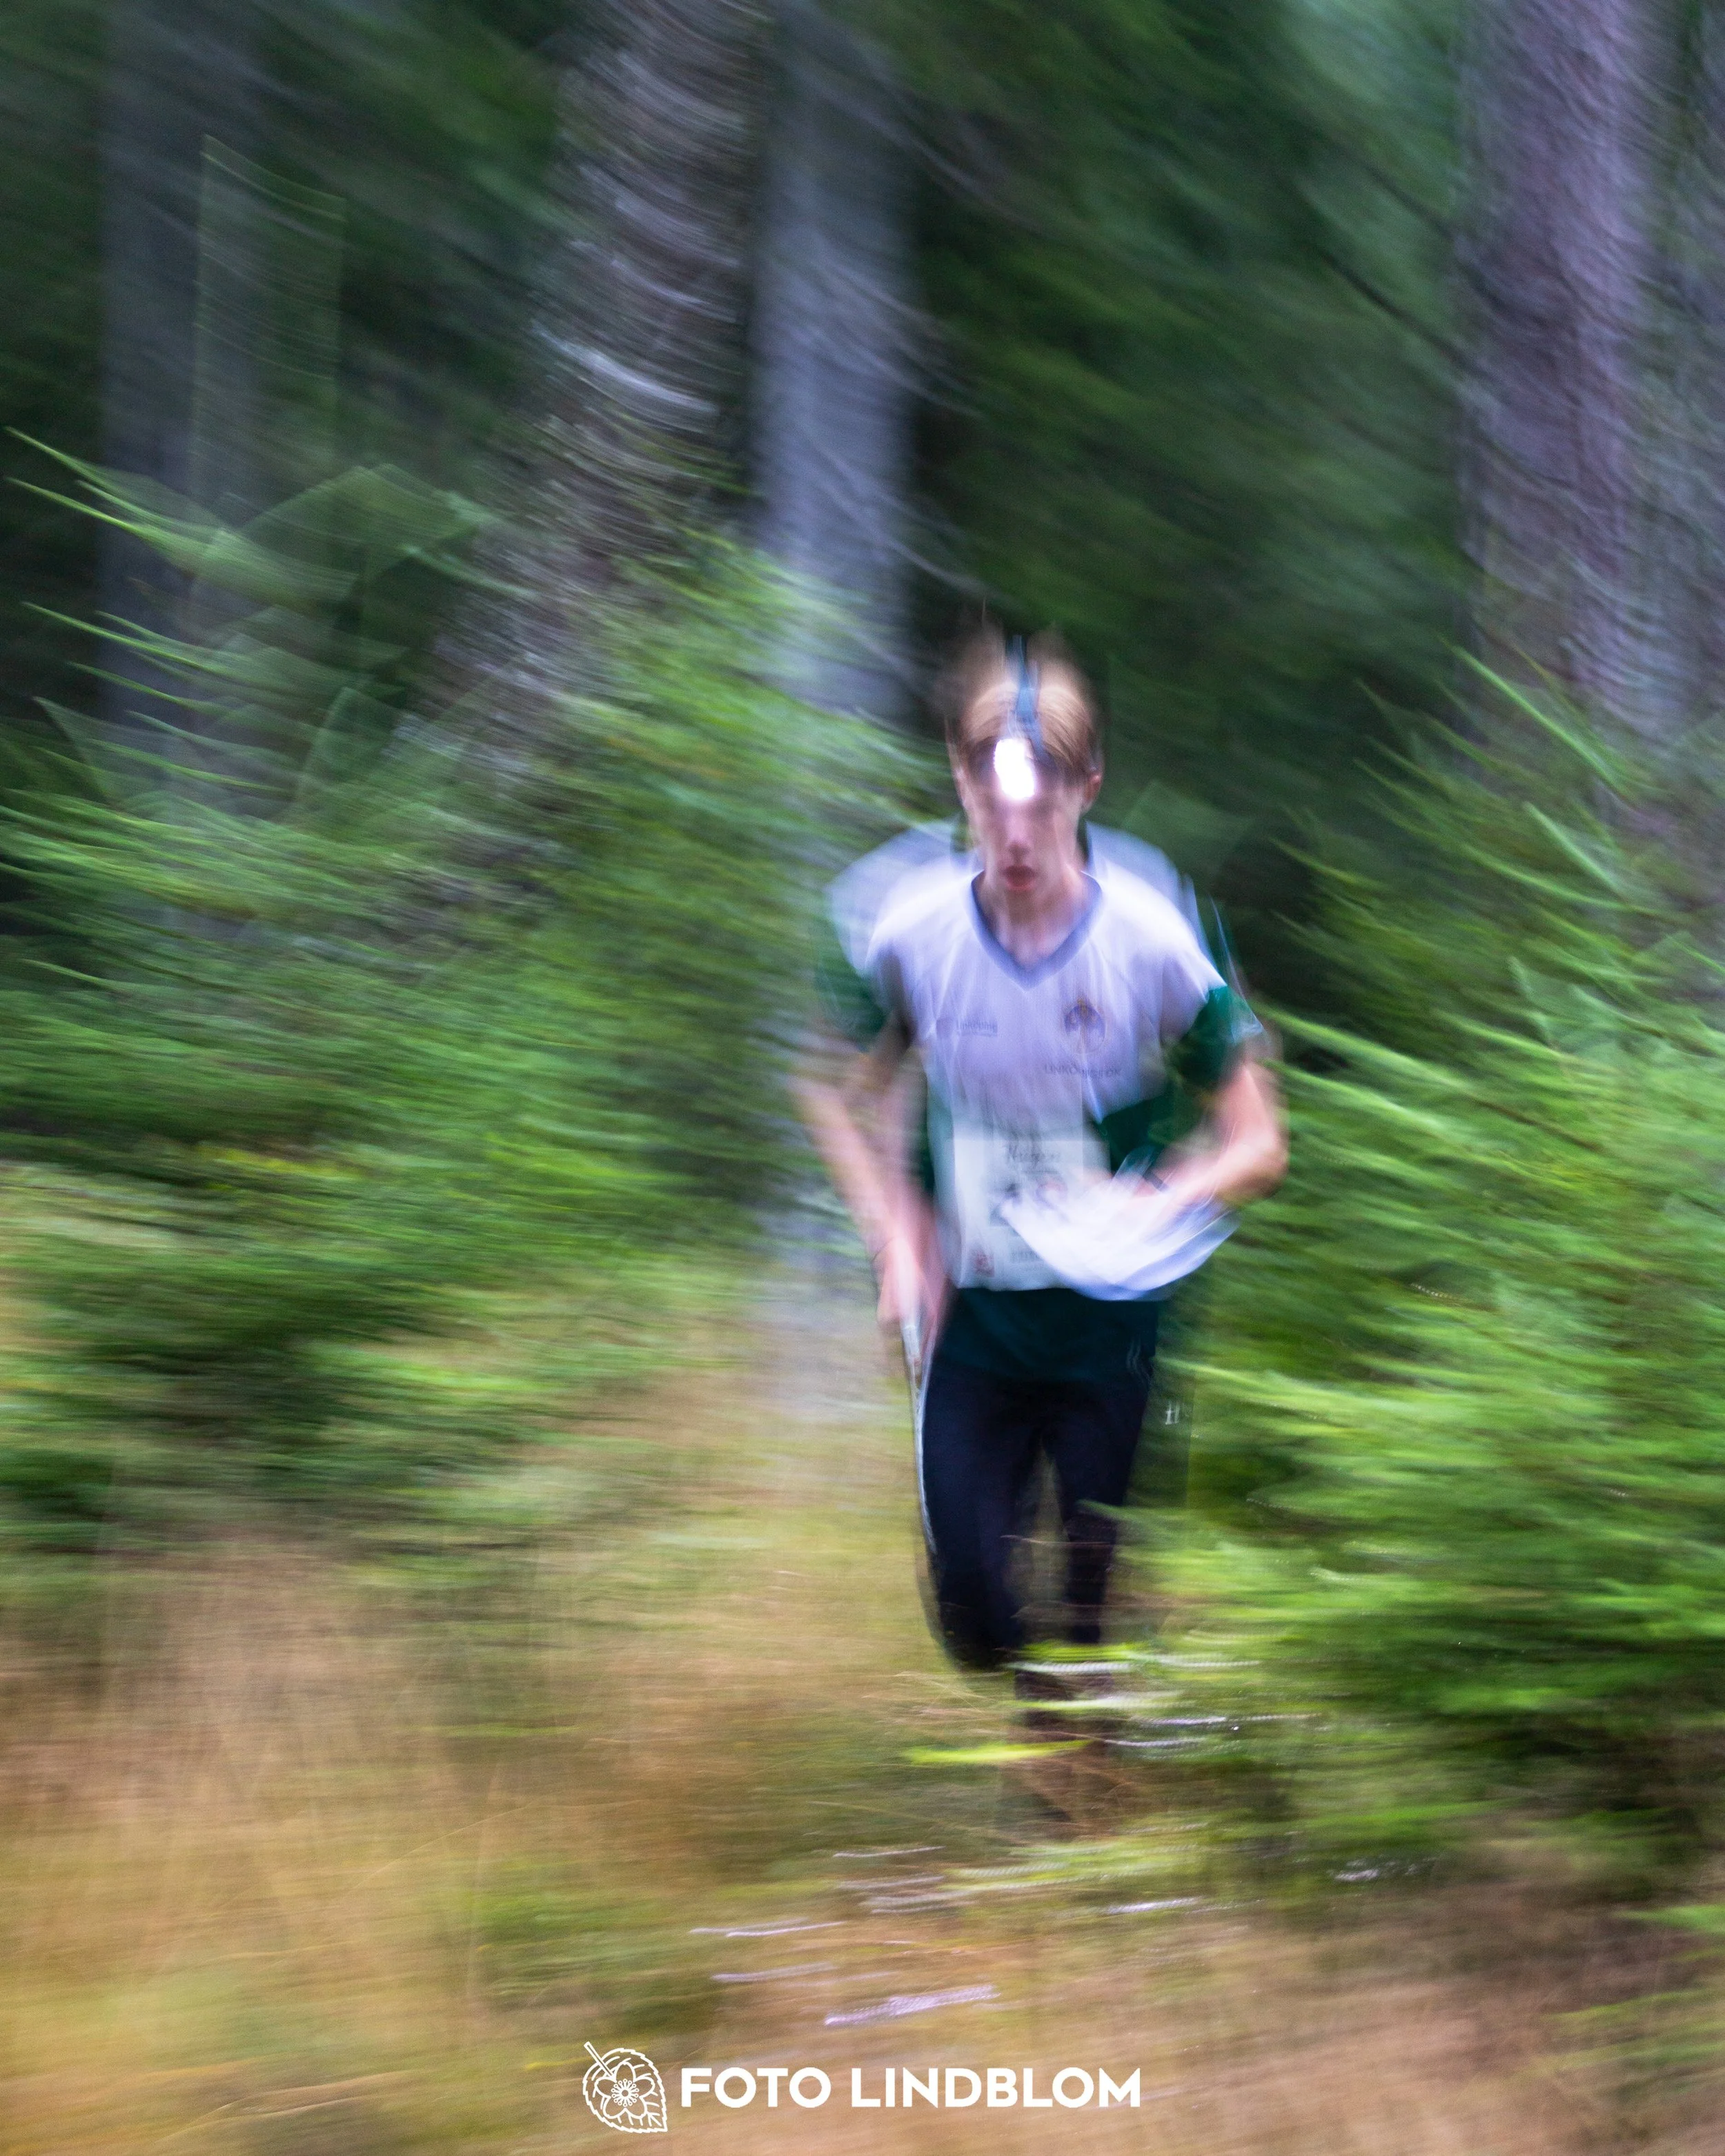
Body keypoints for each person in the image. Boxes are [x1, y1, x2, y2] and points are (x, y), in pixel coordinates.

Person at [798, 631, 1286, 1692]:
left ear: (1089, 787)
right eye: (993, 801)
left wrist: (1162, 1191)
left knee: (1086, 1615)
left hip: (1114, 1326)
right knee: (978, 1622)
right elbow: (834, 1090)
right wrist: (895, 1231)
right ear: (960, 782)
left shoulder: (1151, 937)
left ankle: (1082, 1801)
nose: (1016, 837)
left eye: (1044, 804)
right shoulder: (908, 927)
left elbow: (1259, 1141)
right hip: (971, 1318)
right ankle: (1060, 1751)